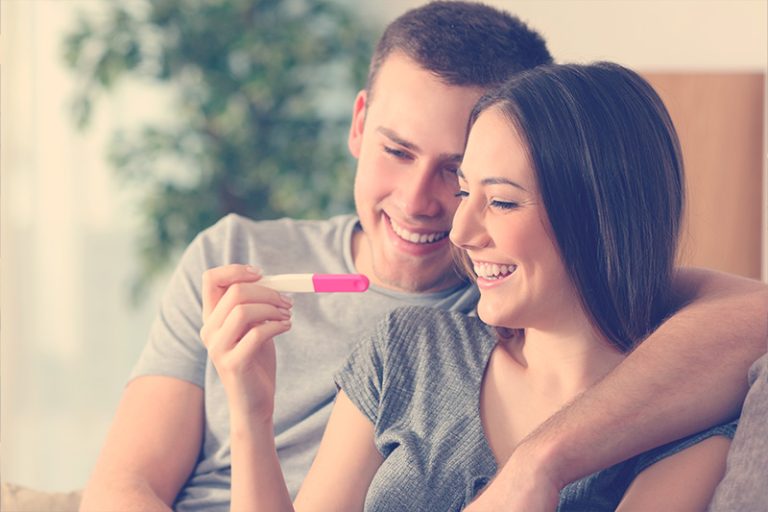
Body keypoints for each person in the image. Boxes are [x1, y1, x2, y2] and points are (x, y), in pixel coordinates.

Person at [80, 2, 768, 511]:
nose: (426, 206)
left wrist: (541, 464)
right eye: (397, 151)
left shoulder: (552, 326)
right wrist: (249, 409)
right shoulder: (240, 256)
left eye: (463, 177)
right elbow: (121, 484)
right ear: (358, 123)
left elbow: (724, 310)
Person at [213, 61, 739, 511]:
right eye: (466, 192)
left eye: (503, 201)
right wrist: (252, 416)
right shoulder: (408, 351)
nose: (461, 233)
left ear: (603, 218)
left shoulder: (685, 432)